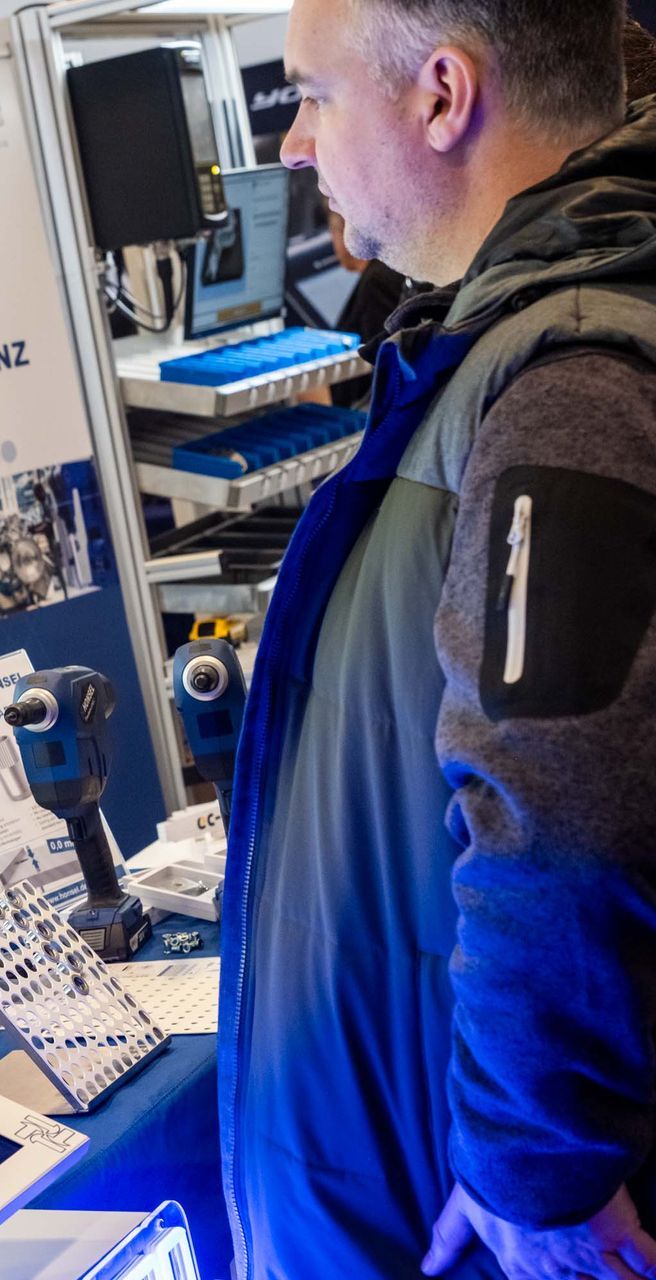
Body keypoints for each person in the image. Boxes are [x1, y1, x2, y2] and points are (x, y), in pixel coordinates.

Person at [223, 1, 656, 1278]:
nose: (296, 144)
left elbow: (563, 816)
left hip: (468, 1223)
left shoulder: (568, 380)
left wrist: (535, 1168)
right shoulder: (522, 346)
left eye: (313, 95)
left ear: (442, 94)